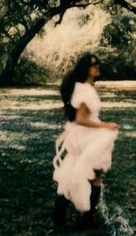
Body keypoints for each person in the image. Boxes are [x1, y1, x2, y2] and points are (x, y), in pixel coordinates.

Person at [53, 52, 119, 230]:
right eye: (92, 64)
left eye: (98, 63)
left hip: (90, 134)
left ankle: (85, 219)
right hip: (86, 136)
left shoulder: (88, 87)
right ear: (85, 69)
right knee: (78, 174)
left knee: (94, 176)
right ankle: (67, 216)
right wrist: (106, 126)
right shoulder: (84, 89)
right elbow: (80, 119)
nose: (97, 66)